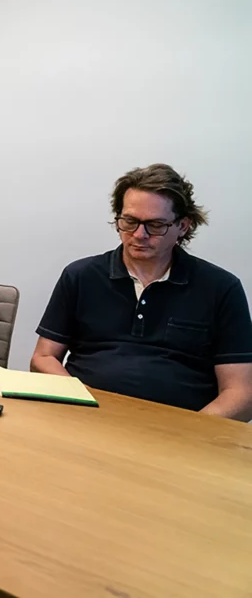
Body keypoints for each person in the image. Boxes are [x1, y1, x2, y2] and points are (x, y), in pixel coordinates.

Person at [31, 164, 252, 419]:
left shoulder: (221, 288)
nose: (139, 234)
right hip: (85, 417)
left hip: (178, 430)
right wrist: (79, 397)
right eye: (130, 221)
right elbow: (43, 357)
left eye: (155, 225)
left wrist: (192, 432)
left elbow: (242, 393)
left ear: (183, 225)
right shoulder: (81, 275)